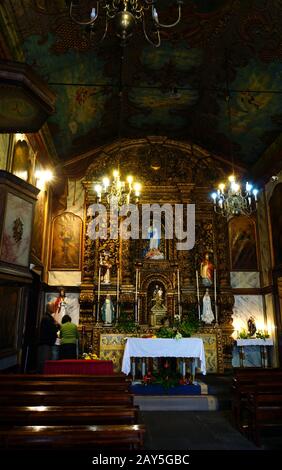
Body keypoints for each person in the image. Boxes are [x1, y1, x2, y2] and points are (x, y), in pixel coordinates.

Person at [37, 303, 59, 373]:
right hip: (45, 343)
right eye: (52, 307)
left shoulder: (48, 317)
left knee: (46, 361)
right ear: (48, 308)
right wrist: (56, 325)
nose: (54, 308)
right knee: (44, 362)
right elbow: (53, 329)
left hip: (47, 343)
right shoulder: (47, 318)